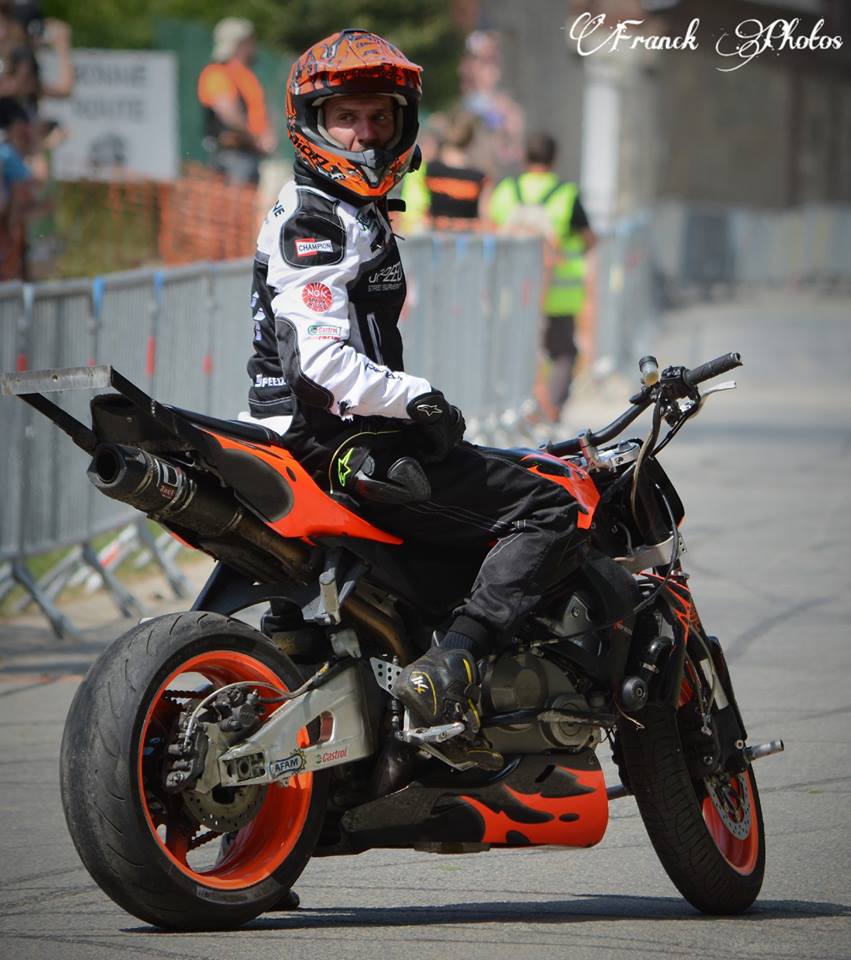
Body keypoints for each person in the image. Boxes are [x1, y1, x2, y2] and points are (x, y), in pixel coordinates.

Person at [246, 29, 585, 769]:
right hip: (342, 444)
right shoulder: (317, 217)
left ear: (402, 123)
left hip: (315, 439)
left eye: (379, 116)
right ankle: (454, 663)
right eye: (346, 117)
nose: (364, 133)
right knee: (548, 507)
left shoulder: (343, 207)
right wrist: (419, 398)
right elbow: (317, 363)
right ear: (312, 124)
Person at [490, 133, 596, 423]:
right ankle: (551, 412)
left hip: (513, 293)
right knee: (562, 353)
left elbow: (490, 229)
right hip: (558, 295)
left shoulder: (507, 191)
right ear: (554, 158)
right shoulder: (566, 194)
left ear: (525, 156)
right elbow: (589, 238)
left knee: (515, 351)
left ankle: (517, 410)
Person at [197, 17, 276, 185]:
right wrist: (256, 139)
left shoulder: (243, 75)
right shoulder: (218, 72)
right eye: (251, 41)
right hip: (233, 154)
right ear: (241, 44)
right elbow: (229, 114)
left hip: (247, 153)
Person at [401, 110, 488, 231]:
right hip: (466, 240)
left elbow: (415, 208)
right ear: (472, 139)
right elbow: (485, 221)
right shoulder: (481, 179)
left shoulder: (427, 170)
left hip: (431, 239)